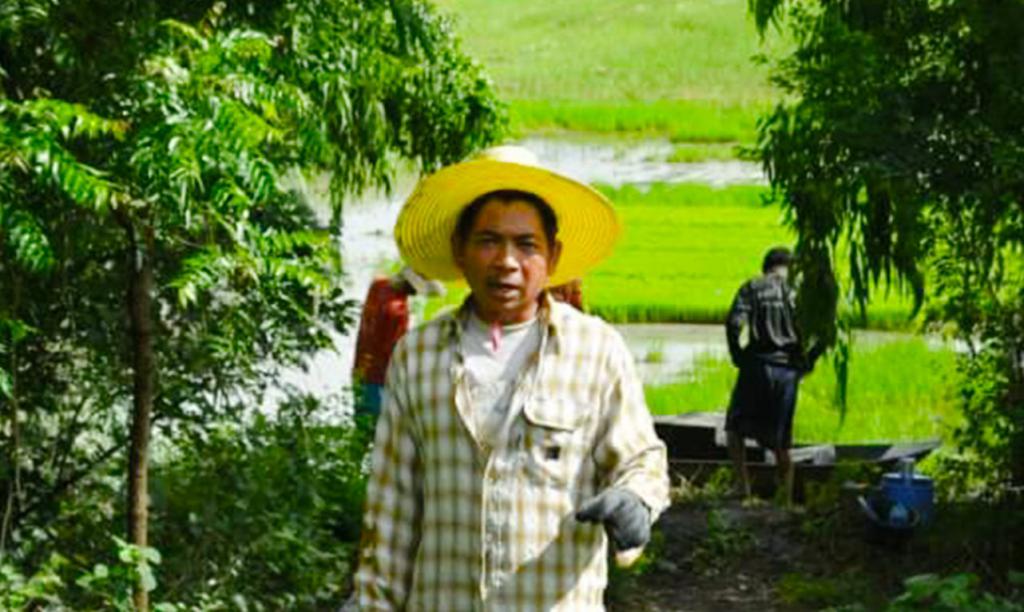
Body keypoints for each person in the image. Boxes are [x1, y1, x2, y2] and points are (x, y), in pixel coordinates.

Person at [353, 146, 670, 610]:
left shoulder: (596, 351)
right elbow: (391, 512)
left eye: (526, 245)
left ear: (552, 256)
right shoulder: (417, 357)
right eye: (488, 241)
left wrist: (635, 499)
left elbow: (642, 458)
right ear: (460, 250)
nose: (506, 261)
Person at [724, 247, 822, 505]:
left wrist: (738, 355)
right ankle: (785, 499)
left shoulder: (753, 287)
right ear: (790, 267)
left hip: (756, 366)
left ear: (766, 267)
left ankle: (742, 487)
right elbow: (826, 331)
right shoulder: (800, 293)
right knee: (782, 441)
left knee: (734, 427)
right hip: (787, 370)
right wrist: (808, 361)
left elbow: (734, 323)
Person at [351, 266, 444, 419]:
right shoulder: (398, 310)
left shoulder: (378, 285)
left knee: (361, 419)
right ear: (411, 286)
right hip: (379, 377)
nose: (417, 294)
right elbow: (395, 351)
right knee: (376, 424)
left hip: (360, 366)